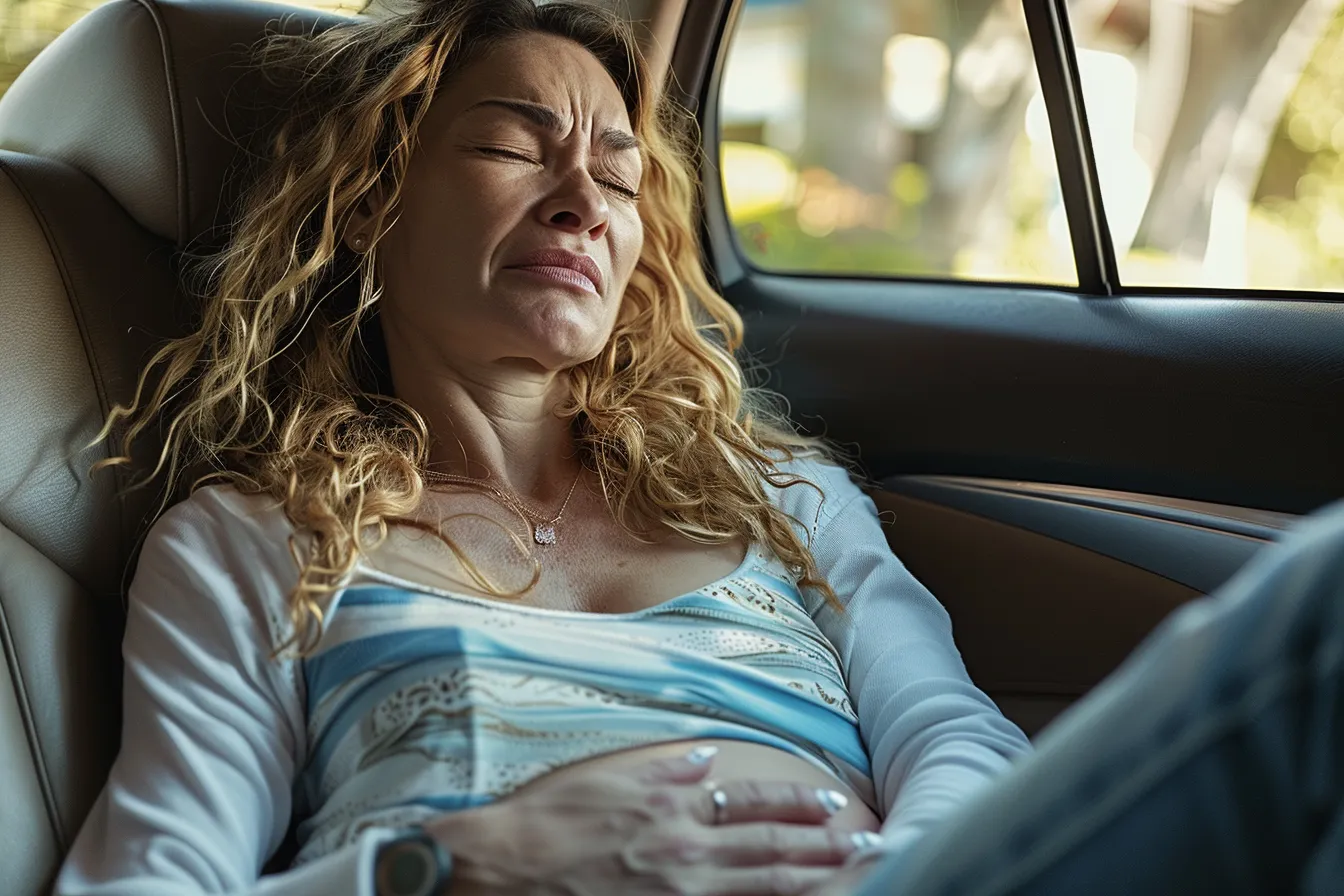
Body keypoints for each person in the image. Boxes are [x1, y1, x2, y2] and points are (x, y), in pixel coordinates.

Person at [52, 0, 1344, 895]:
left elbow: (952, 739)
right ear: (367, 202)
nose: (582, 200)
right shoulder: (255, 545)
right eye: (512, 146)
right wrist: (458, 863)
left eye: (620, 177)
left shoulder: (780, 496)